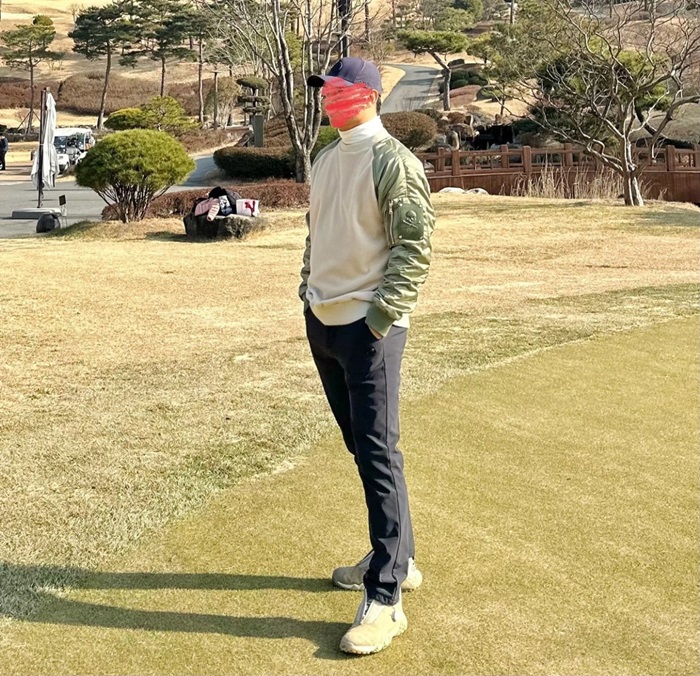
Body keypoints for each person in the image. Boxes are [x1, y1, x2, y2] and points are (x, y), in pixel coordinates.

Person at [299, 57, 435, 655]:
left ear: (371, 95)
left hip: (369, 330)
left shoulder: (393, 160)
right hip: (323, 322)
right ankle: (398, 557)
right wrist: (307, 292)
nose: (329, 99)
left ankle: (386, 597)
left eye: (340, 89)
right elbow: (318, 234)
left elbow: (414, 246)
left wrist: (380, 317)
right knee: (361, 446)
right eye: (324, 91)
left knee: (379, 453)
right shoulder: (326, 158)